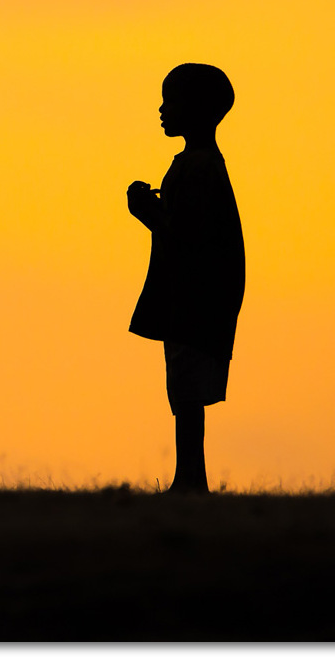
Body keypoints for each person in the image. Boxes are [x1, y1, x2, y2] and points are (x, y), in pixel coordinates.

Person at [126, 63, 245, 494]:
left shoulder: (199, 167)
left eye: (170, 101)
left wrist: (146, 212)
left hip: (195, 298)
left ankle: (191, 481)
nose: (161, 110)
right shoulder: (199, 165)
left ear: (193, 109)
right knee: (184, 392)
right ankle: (189, 479)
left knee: (188, 394)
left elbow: (186, 233)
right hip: (191, 297)